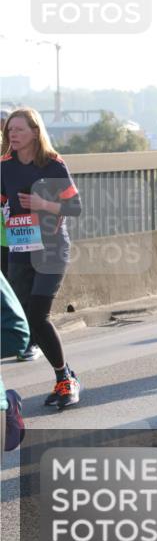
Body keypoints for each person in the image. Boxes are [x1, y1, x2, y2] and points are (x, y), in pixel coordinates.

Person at [1, 107, 83, 407]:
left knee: (38, 315)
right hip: (20, 251)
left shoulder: (52, 165)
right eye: (10, 130)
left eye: (18, 130)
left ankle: (65, 379)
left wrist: (41, 203)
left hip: (51, 251)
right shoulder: (5, 166)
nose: (12, 135)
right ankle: (66, 374)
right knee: (23, 318)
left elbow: (74, 207)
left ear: (35, 132)